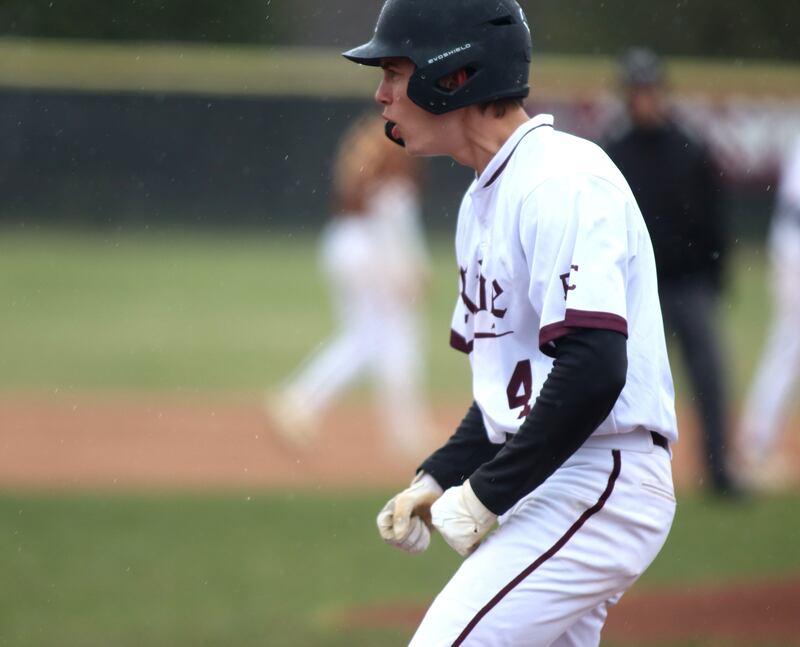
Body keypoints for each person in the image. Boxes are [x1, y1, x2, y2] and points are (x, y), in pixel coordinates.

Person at [342, 2, 677, 645]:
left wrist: (487, 492)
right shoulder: (484, 199)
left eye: (393, 69)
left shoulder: (563, 180)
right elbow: (509, 388)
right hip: (561, 475)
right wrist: (439, 476)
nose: (381, 94)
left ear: (455, 76)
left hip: (600, 478)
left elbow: (593, 368)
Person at [602, 48, 736, 496]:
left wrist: (716, 275)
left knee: (708, 378)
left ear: (661, 92)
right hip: (638, 290)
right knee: (623, 384)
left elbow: (714, 216)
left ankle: (719, 473)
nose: (643, 98)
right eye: (636, 91)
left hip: (687, 284)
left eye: (649, 90)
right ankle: (622, 479)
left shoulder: (689, 146)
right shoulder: (614, 151)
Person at [266, 114, 437, 459]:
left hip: (343, 242)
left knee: (371, 338)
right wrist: (411, 270)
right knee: (387, 337)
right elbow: (393, 217)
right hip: (371, 248)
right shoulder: (396, 160)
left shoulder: (367, 152)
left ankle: (305, 401)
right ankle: (401, 429)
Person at [737, 135, 800, 489]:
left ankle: (758, 439)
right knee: (789, 346)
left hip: (789, 243)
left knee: (789, 347)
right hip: (796, 248)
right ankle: (757, 440)